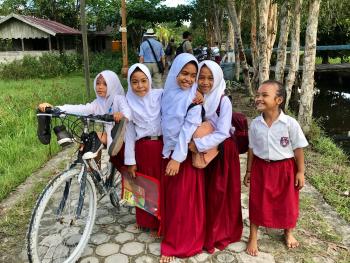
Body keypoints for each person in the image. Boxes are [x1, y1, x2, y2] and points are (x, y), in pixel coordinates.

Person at [244, 80, 308, 256]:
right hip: (261, 168)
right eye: (258, 95)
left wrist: (300, 172)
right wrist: (249, 171)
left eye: (264, 95)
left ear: (278, 100)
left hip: (285, 169)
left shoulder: (290, 124)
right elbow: (251, 149)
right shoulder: (256, 124)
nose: (259, 98)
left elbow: (298, 149)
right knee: (257, 201)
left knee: (287, 202)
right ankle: (253, 236)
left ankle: (288, 231)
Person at [189, 60, 243, 253]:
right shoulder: (196, 96)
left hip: (222, 152)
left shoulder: (223, 100)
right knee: (204, 193)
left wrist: (197, 144)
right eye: (201, 77)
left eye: (210, 78)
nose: (205, 82)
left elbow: (223, 133)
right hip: (204, 152)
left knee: (219, 193)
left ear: (218, 78)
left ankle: (219, 233)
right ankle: (202, 230)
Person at [160, 53, 205, 262]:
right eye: (184, 73)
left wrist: (177, 158)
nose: (188, 79)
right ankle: (170, 233)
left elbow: (187, 131)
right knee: (172, 200)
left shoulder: (193, 100)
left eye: (193, 75)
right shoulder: (165, 93)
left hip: (181, 158)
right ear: (175, 71)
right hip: (166, 154)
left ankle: (177, 244)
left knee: (182, 202)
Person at [38, 70, 131, 159]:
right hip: (111, 137)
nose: (100, 87)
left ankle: (93, 168)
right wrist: (57, 108)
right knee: (87, 140)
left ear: (113, 85)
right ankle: (93, 170)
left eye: (105, 84)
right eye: (98, 83)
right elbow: (82, 108)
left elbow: (127, 112)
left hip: (123, 139)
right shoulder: (99, 102)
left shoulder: (119, 99)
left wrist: (122, 115)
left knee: (93, 137)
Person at [123, 63, 164, 231]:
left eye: (143, 81)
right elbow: (130, 132)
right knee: (143, 185)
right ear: (129, 83)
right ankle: (147, 221)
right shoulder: (128, 102)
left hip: (161, 147)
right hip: (143, 148)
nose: (140, 86)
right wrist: (130, 160)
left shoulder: (160, 95)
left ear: (149, 80)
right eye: (134, 82)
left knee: (161, 185)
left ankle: (161, 221)